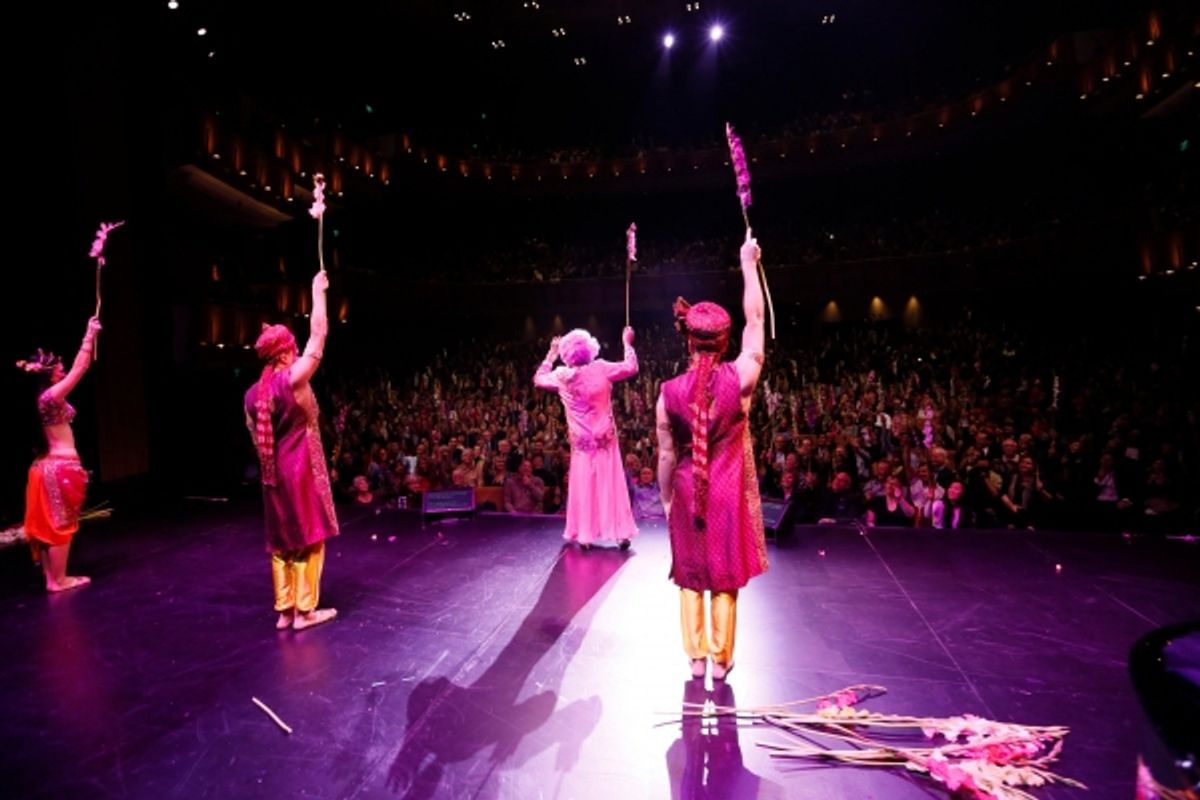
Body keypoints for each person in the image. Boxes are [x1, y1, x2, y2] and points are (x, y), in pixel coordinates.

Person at [657, 230, 768, 681]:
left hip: (687, 489)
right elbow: (757, 320)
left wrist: (666, 501)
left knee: (688, 573)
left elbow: (666, 456)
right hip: (725, 491)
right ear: (724, 341)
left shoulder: (667, 394)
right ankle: (721, 661)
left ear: (689, 340)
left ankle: (696, 657)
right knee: (723, 576)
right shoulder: (742, 377)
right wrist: (747, 263)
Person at [244, 271, 338, 631]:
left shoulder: (251, 394)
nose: (298, 349)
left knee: (282, 541)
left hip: (272, 473)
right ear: (285, 351)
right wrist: (317, 292)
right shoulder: (293, 378)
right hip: (299, 468)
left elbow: (256, 438)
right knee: (311, 538)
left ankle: (285, 610)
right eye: (292, 346)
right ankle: (305, 610)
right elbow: (319, 335)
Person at [534, 325, 639, 550]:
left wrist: (550, 356)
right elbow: (631, 367)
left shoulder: (561, 376)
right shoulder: (601, 368)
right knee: (610, 484)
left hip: (582, 441)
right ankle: (620, 534)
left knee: (585, 485)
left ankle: (585, 534)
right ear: (589, 348)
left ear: (566, 353)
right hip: (604, 438)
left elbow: (539, 378)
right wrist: (627, 343)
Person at [18, 316, 102, 592]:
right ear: (49, 373)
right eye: (59, 367)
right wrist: (89, 335)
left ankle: (51, 578)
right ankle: (60, 580)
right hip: (60, 468)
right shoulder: (51, 397)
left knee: (50, 525)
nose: (63, 369)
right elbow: (81, 367)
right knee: (61, 525)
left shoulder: (48, 398)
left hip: (51, 466)